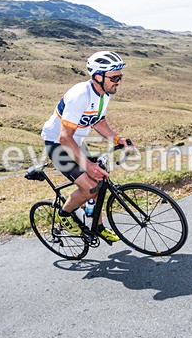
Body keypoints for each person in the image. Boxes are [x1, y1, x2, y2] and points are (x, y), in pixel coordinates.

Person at [41, 51, 134, 241]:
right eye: (114, 78)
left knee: (100, 179)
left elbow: (98, 121)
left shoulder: (104, 94)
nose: (118, 82)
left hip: (74, 142)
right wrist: (88, 165)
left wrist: (117, 139)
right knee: (90, 187)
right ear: (98, 77)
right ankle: (64, 214)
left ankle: (97, 227)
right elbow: (64, 138)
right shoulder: (80, 96)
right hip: (57, 143)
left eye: (120, 77)